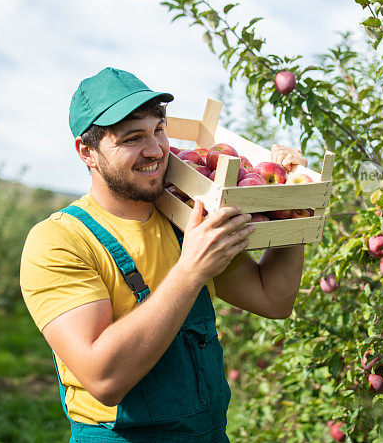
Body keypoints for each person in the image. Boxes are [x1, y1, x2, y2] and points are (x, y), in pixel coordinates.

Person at [20, 67, 308, 442]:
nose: (155, 149)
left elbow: (273, 299)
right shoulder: (60, 241)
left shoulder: (185, 215)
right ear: (87, 152)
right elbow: (103, 378)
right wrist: (190, 272)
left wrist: (294, 205)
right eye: (132, 138)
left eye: (159, 128)